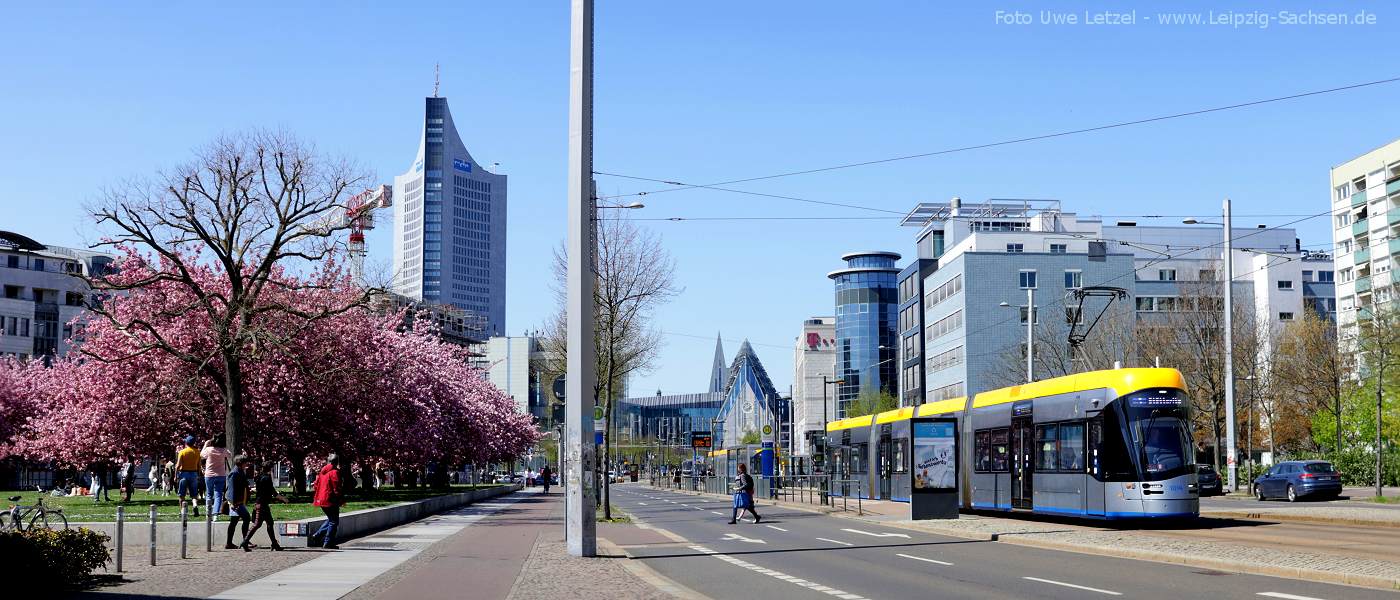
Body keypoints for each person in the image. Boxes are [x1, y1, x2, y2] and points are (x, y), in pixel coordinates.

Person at [243, 460, 287, 551]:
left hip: (260, 503)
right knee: (257, 524)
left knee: (269, 523)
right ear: (270, 469)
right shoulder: (267, 478)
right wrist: (283, 499)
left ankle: (274, 544)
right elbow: (273, 492)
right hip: (262, 505)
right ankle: (245, 541)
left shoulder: (259, 477)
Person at [311, 454, 345, 550]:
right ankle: (327, 542)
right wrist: (341, 499)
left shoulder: (322, 472)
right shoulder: (335, 472)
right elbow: (337, 487)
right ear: (337, 462)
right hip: (330, 499)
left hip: (321, 499)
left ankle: (318, 535)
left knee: (331, 519)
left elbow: (316, 485)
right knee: (334, 521)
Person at [225, 454, 254, 551]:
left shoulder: (240, 471)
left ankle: (230, 543)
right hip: (235, 502)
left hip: (238, 501)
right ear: (241, 463)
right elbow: (231, 489)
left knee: (233, 522)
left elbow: (244, 484)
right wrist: (233, 503)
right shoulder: (235, 473)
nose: (247, 464)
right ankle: (245, 541)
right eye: (245, 462)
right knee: (246, 518)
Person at [202, 434, 232, 519]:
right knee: (218, 494)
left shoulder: (208, 450)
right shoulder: (224, 450)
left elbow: (201, 455)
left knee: (209, 494)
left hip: (209, 475)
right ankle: (215, 514)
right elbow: (229, 455)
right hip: (221, 475)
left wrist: (205, 444)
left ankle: (208, 513)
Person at [176, 436, 202, 516]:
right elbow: (199, 466)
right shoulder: (197, 452)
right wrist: (199, 475)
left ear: (186, 443)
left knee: (182, 495)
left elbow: (178, 465)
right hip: (194, 474)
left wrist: (175, 475)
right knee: (194, 494)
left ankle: (182, 511)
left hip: (184, 474)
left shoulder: (182, 452)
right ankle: (195, 506)